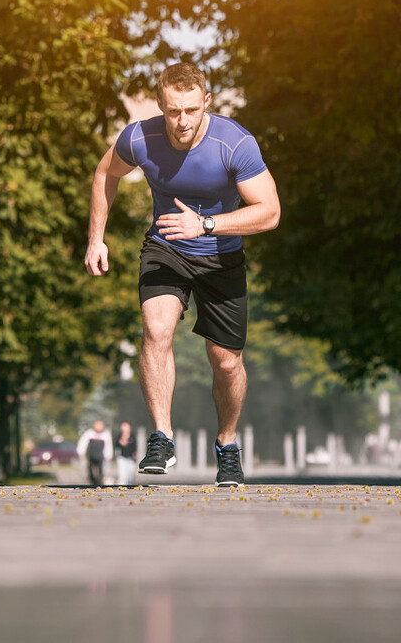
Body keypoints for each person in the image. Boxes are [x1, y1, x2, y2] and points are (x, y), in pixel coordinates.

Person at [84, 63, 280, 487]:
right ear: (160, 105)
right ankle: (162, 437)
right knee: (156, 330)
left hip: (221, 255)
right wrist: (95, 239)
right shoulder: (139, 137)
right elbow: (106, 174)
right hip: (166, 247)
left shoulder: (234, 143)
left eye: (191, 110)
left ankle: (227, 446)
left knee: (226, 363)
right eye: (173, 111)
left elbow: (270, 213)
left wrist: (207, 225)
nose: (183, 121)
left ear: (206, 102)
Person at [76, 419, 113, 486]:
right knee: (90, 470)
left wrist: (108, 456)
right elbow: (83, 442)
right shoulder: (90, 433)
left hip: (100, 456)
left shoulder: (105, 435)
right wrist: (81, 452)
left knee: (100, 472)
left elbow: (108, 446)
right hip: (91, 455)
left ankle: (99, 483)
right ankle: (92, 483)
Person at [113, 421, 138, 486]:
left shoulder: (132, 436)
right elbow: (116, 447)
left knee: (130, 474)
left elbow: (135, 447)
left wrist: (135, 454)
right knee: (122, 473)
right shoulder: (119, 437)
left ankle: (130, 486)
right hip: (121, 457)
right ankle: (122, 485)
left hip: (130, 458)